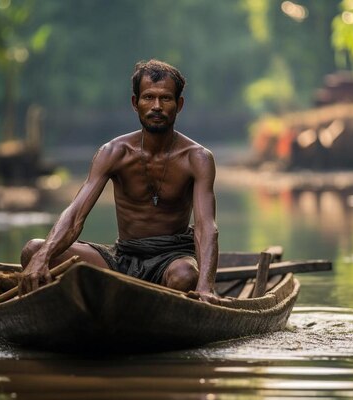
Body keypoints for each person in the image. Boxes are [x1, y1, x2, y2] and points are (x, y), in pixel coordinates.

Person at [19, 59, 219, 303]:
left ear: (179, 104)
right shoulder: (114, 152)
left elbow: (205, 226)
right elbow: (75, 216)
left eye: (165, 98)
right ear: (135, 103)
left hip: (172, 258)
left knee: (185, 275)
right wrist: (43, 257)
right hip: (122, 259)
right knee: (33, 250)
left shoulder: (197, 158)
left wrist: (205, 286)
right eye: (148, 97)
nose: (156, 106)